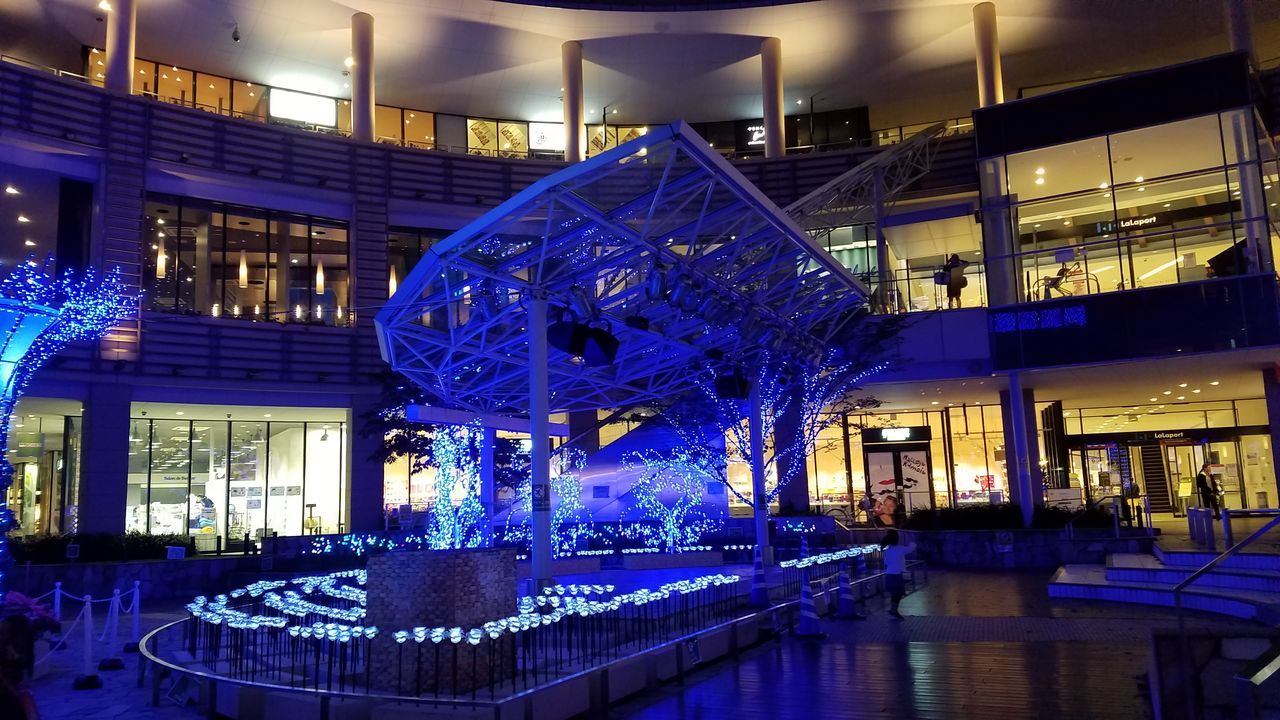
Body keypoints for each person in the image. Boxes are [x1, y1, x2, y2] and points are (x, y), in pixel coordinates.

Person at [880, 528, 917, 620]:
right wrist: (913, 540)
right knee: (898, 593)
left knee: (895, 593)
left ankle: (893, 610)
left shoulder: (889, 550)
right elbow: (910, 548)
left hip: (890, 573)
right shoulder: (900, 549)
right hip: (896, 574)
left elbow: (886, 562)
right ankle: (894, 610)